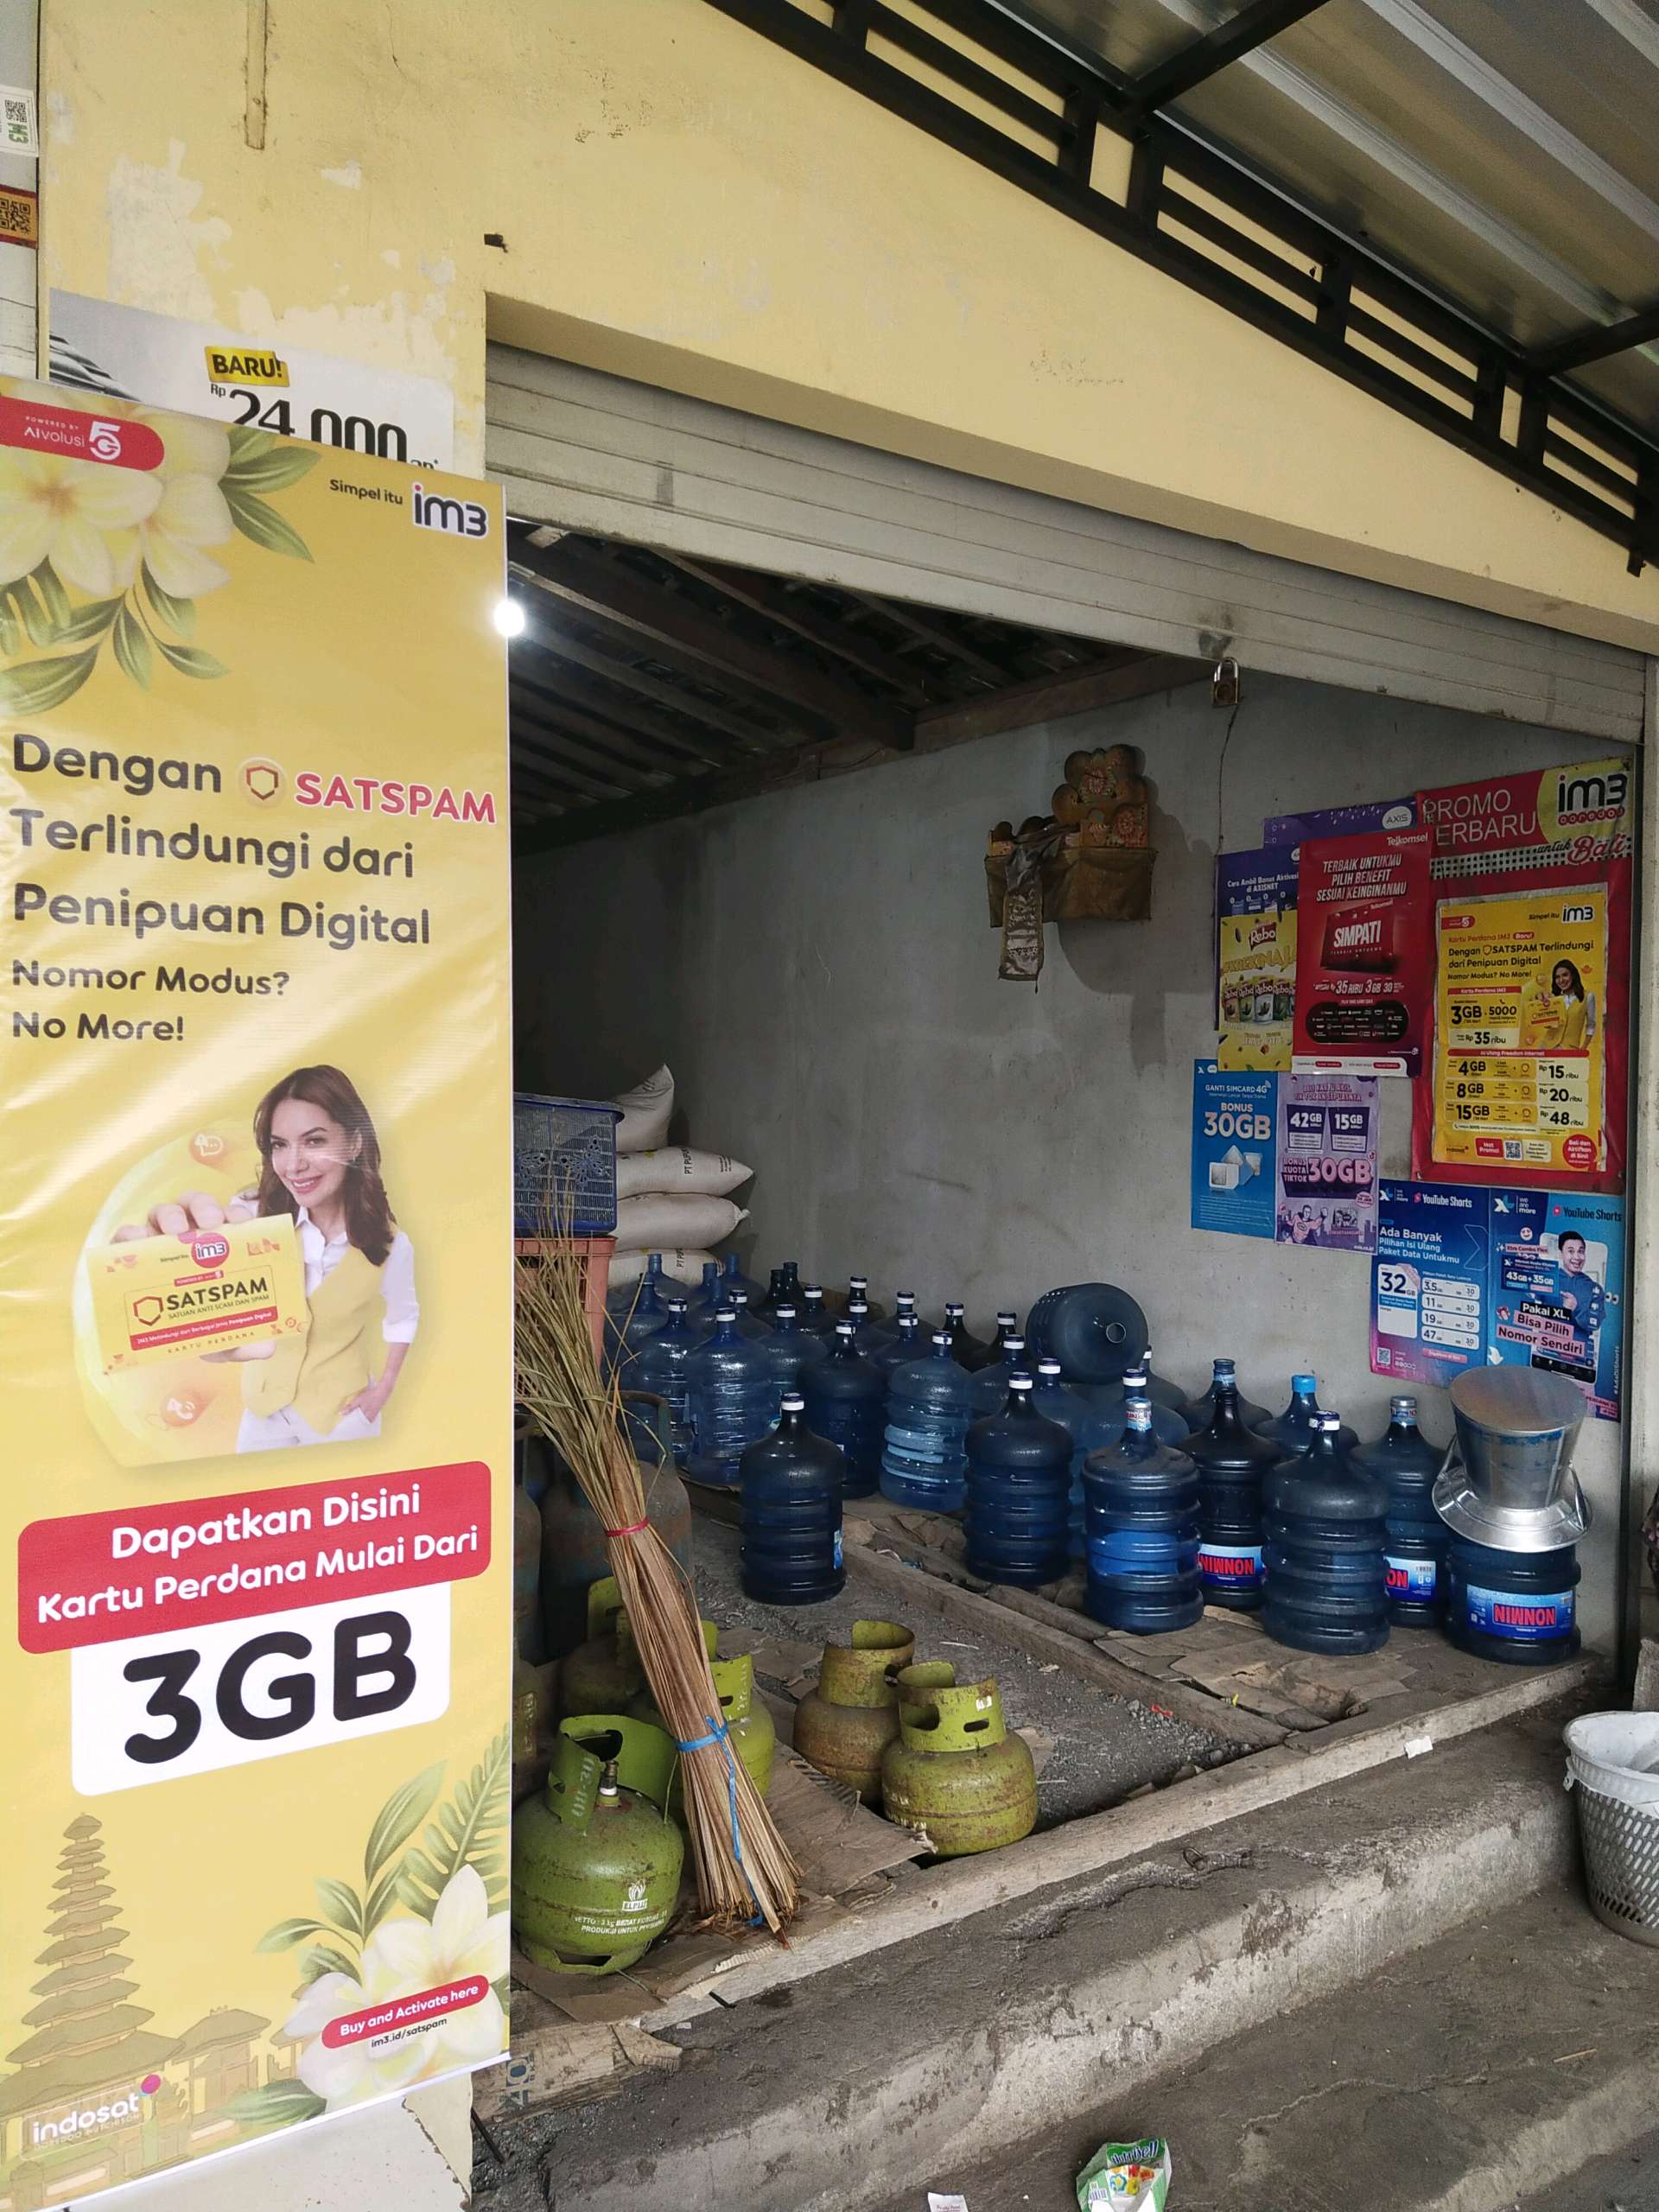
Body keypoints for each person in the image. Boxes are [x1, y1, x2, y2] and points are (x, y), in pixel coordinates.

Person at [115, 1065, 416, 1452]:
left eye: (314, 1141)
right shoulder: (250, 1216)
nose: (293, 1164)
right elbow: (209, 1304)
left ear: (355, 1143)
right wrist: (164, 1266)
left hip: (342, 1416)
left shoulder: (391, 1243)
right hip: (263, 1413)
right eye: (279, 1145)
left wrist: (384, 1388)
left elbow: (403, 1317)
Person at [1547, 1229, 1605, 1362]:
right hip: (1548, 1352)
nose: (1577, 1257)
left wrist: (1575, 1309)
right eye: (1571, 1251)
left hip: (1580, 1357)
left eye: (1581, 1251)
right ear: (1560, 1254)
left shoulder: (1594, 1288)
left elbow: (1595, 1324)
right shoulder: (1547, 1278)